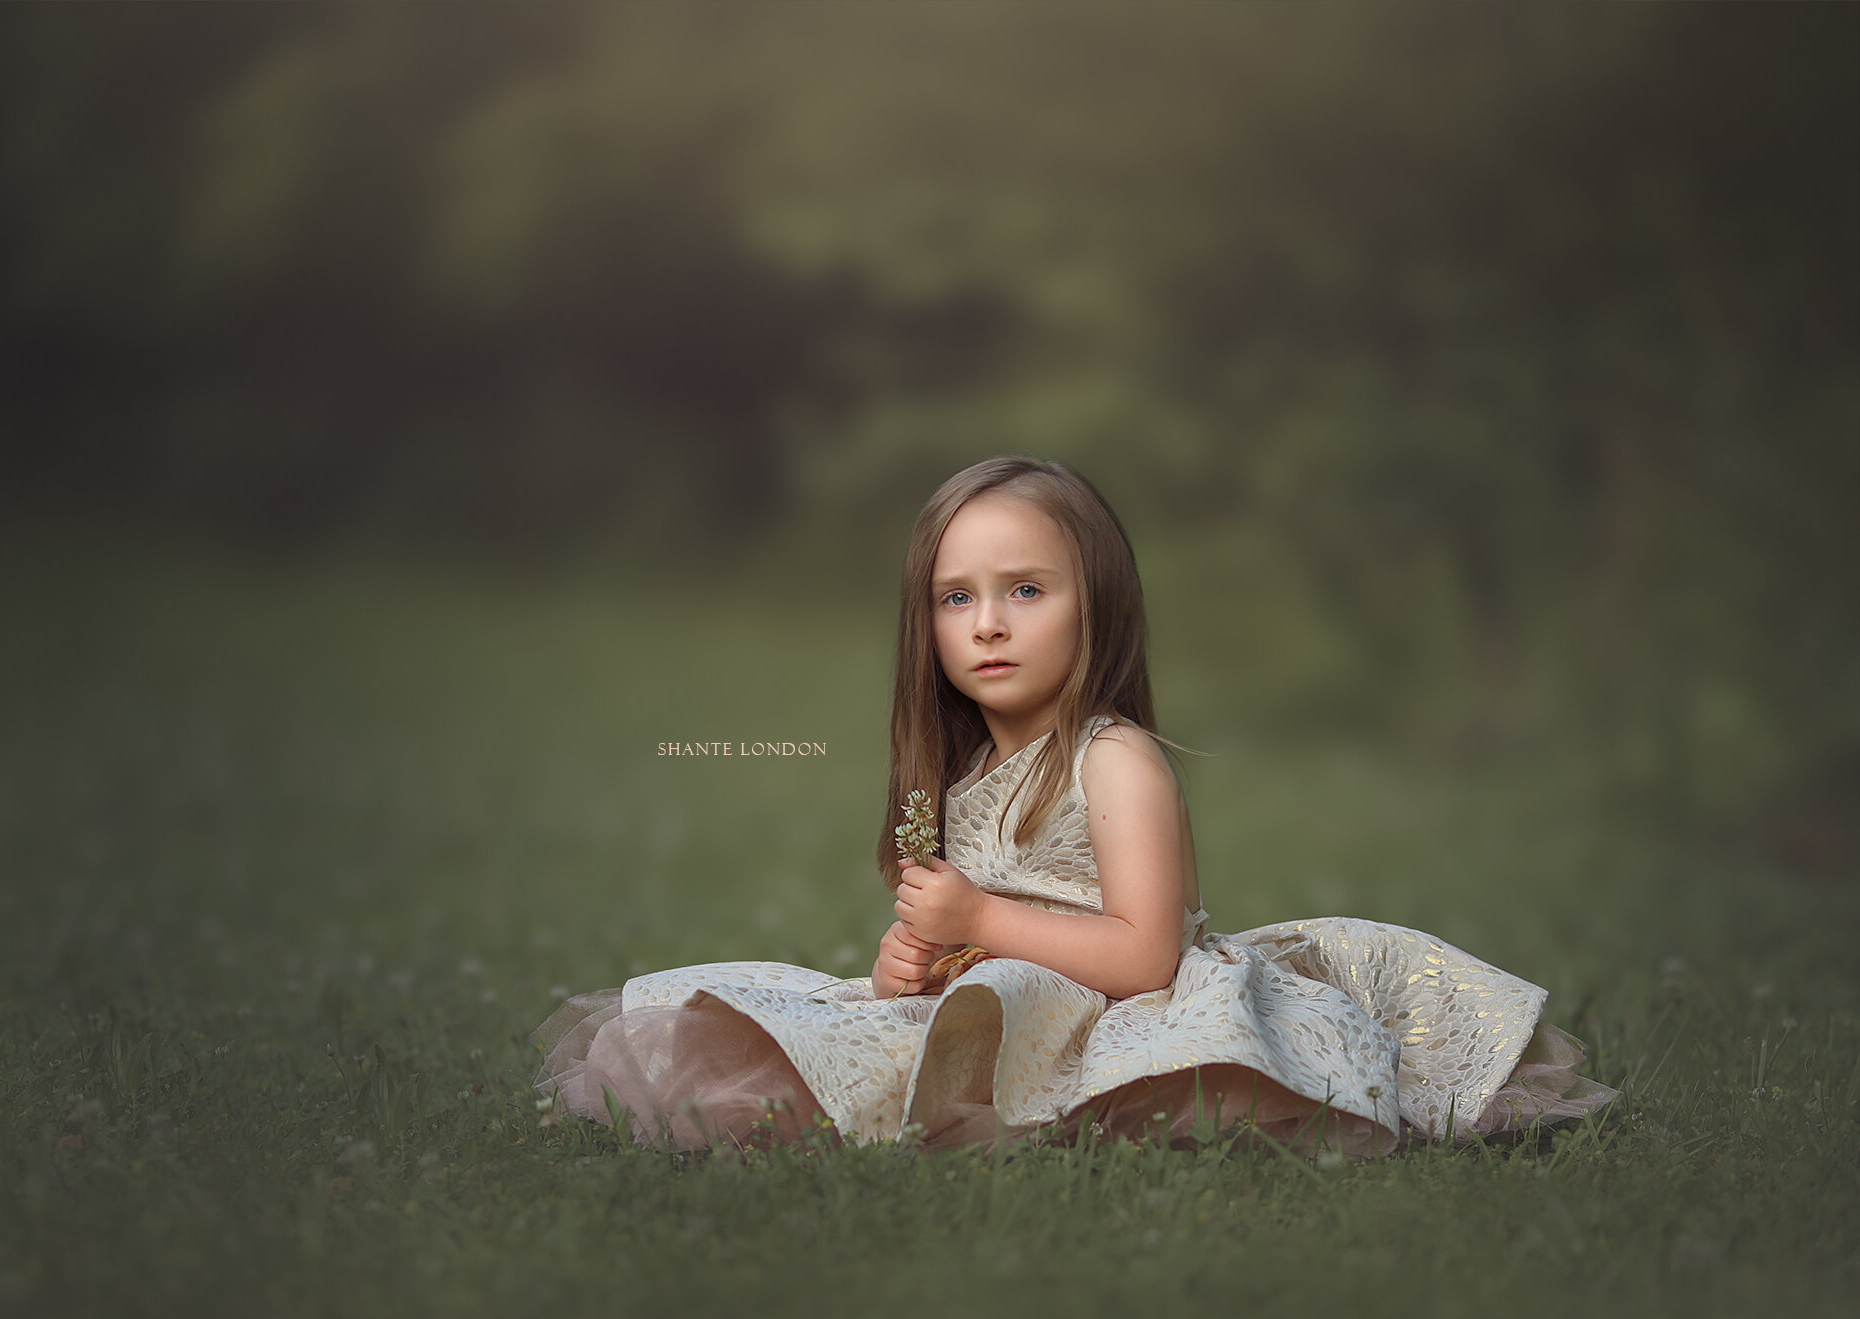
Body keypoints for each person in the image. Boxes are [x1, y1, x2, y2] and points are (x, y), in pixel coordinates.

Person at [534, 457, 1617, 1153]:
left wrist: (983, 924)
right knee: (779, 1038)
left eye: (1024, 590)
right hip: (1009, 1005)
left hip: (1115, 1008)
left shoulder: (1115, 760)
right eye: (956, 598)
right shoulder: (952, 780)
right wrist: (905, 965)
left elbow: (1145, 956)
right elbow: (957, 944)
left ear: (1096, 603)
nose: (987, 624)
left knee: (1175, 1091)